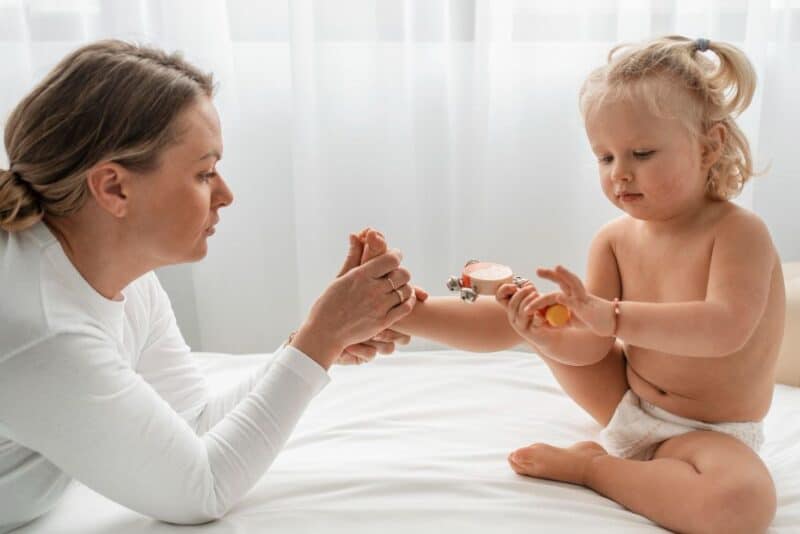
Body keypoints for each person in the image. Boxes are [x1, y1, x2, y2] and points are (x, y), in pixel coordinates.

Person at [0, 40, 423, 532]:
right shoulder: (43, 329)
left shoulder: (123, 281)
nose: (225, 194)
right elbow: (201, 491)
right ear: (114, 187)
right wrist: (320, 340)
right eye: (204, 173)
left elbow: (194, 423)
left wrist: (313, 341)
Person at [383, 36, 784, 533]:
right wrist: (546, 332)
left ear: (711, 145)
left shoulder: (738, 233)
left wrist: (612, 317)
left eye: (641, 152)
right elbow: (590, 349)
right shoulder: (613, 240)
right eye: (605, 157)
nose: (621, 174)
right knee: (531, 315)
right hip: (625, 400)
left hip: (707, 431)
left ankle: (594, 467)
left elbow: (725, 329)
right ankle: (404, 310)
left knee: (742, 504)